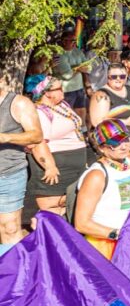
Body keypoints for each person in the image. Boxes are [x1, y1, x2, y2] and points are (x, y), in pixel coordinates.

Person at [74, 120, 130, 260]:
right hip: (108, 246)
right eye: (115, 143)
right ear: (101, 148)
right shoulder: (96, 176)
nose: (123, 146)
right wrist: (118, 234)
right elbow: (81, 224)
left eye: (126, 139)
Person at [23, 75, 88, 217]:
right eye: (59, 88)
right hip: (56, 168)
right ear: (47, 92)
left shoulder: (62, 105)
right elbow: (38, 142)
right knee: (52, 212)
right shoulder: (39, 112)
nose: (63, 91)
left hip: (73, 166)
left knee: (68, 209)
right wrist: (50, 166)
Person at [89, 63, 130, 172]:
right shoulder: (101, 95)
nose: (118, 79)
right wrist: (125, 122)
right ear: (108, 77)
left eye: (122, 76)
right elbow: (97, 122)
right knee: (127, 183)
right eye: (114, 76)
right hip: (116, 148)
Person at [0, 78, 43, 245]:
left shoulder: (19, 103)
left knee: (10, 228)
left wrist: (5, 137)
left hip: (8, 174)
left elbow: (36, 135)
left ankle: (14, 270)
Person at [53, 29, 93, 121]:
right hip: (66, 90)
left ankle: (82, 131)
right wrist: (79, 68)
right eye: (72, 41)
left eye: (75, 41)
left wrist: (75, 68)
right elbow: (67, 75)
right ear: (64, 41)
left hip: (79, 88)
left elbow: (89, 67)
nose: (74, 43)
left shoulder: (77, 51)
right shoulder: (60, 54)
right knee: (67, 114)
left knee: (81, 111)